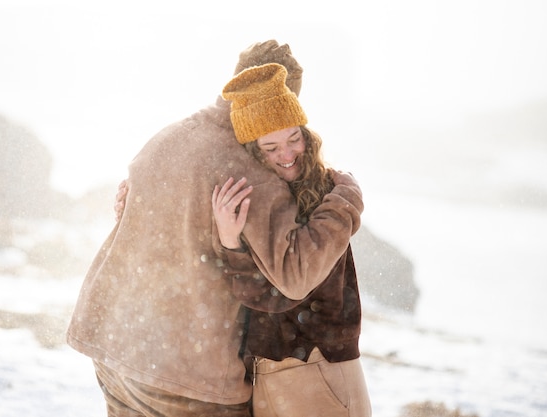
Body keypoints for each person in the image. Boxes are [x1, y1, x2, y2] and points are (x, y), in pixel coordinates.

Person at [67, 40, 363, 417]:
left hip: (111, 345)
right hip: (186, 378)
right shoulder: (249, 172)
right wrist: (348, 198)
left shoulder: (165, 137)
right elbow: (295, 276)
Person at [212, 63, 371, 417]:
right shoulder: (261, 199)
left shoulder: (325, 193)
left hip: (317, 366)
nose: (286, 155)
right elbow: (265, 294)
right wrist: (230, 240)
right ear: (253, 153)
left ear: (306, 133)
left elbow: (283, 293)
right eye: (270, 148)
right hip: (275, 371)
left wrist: (348, 197)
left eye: (293, 138)